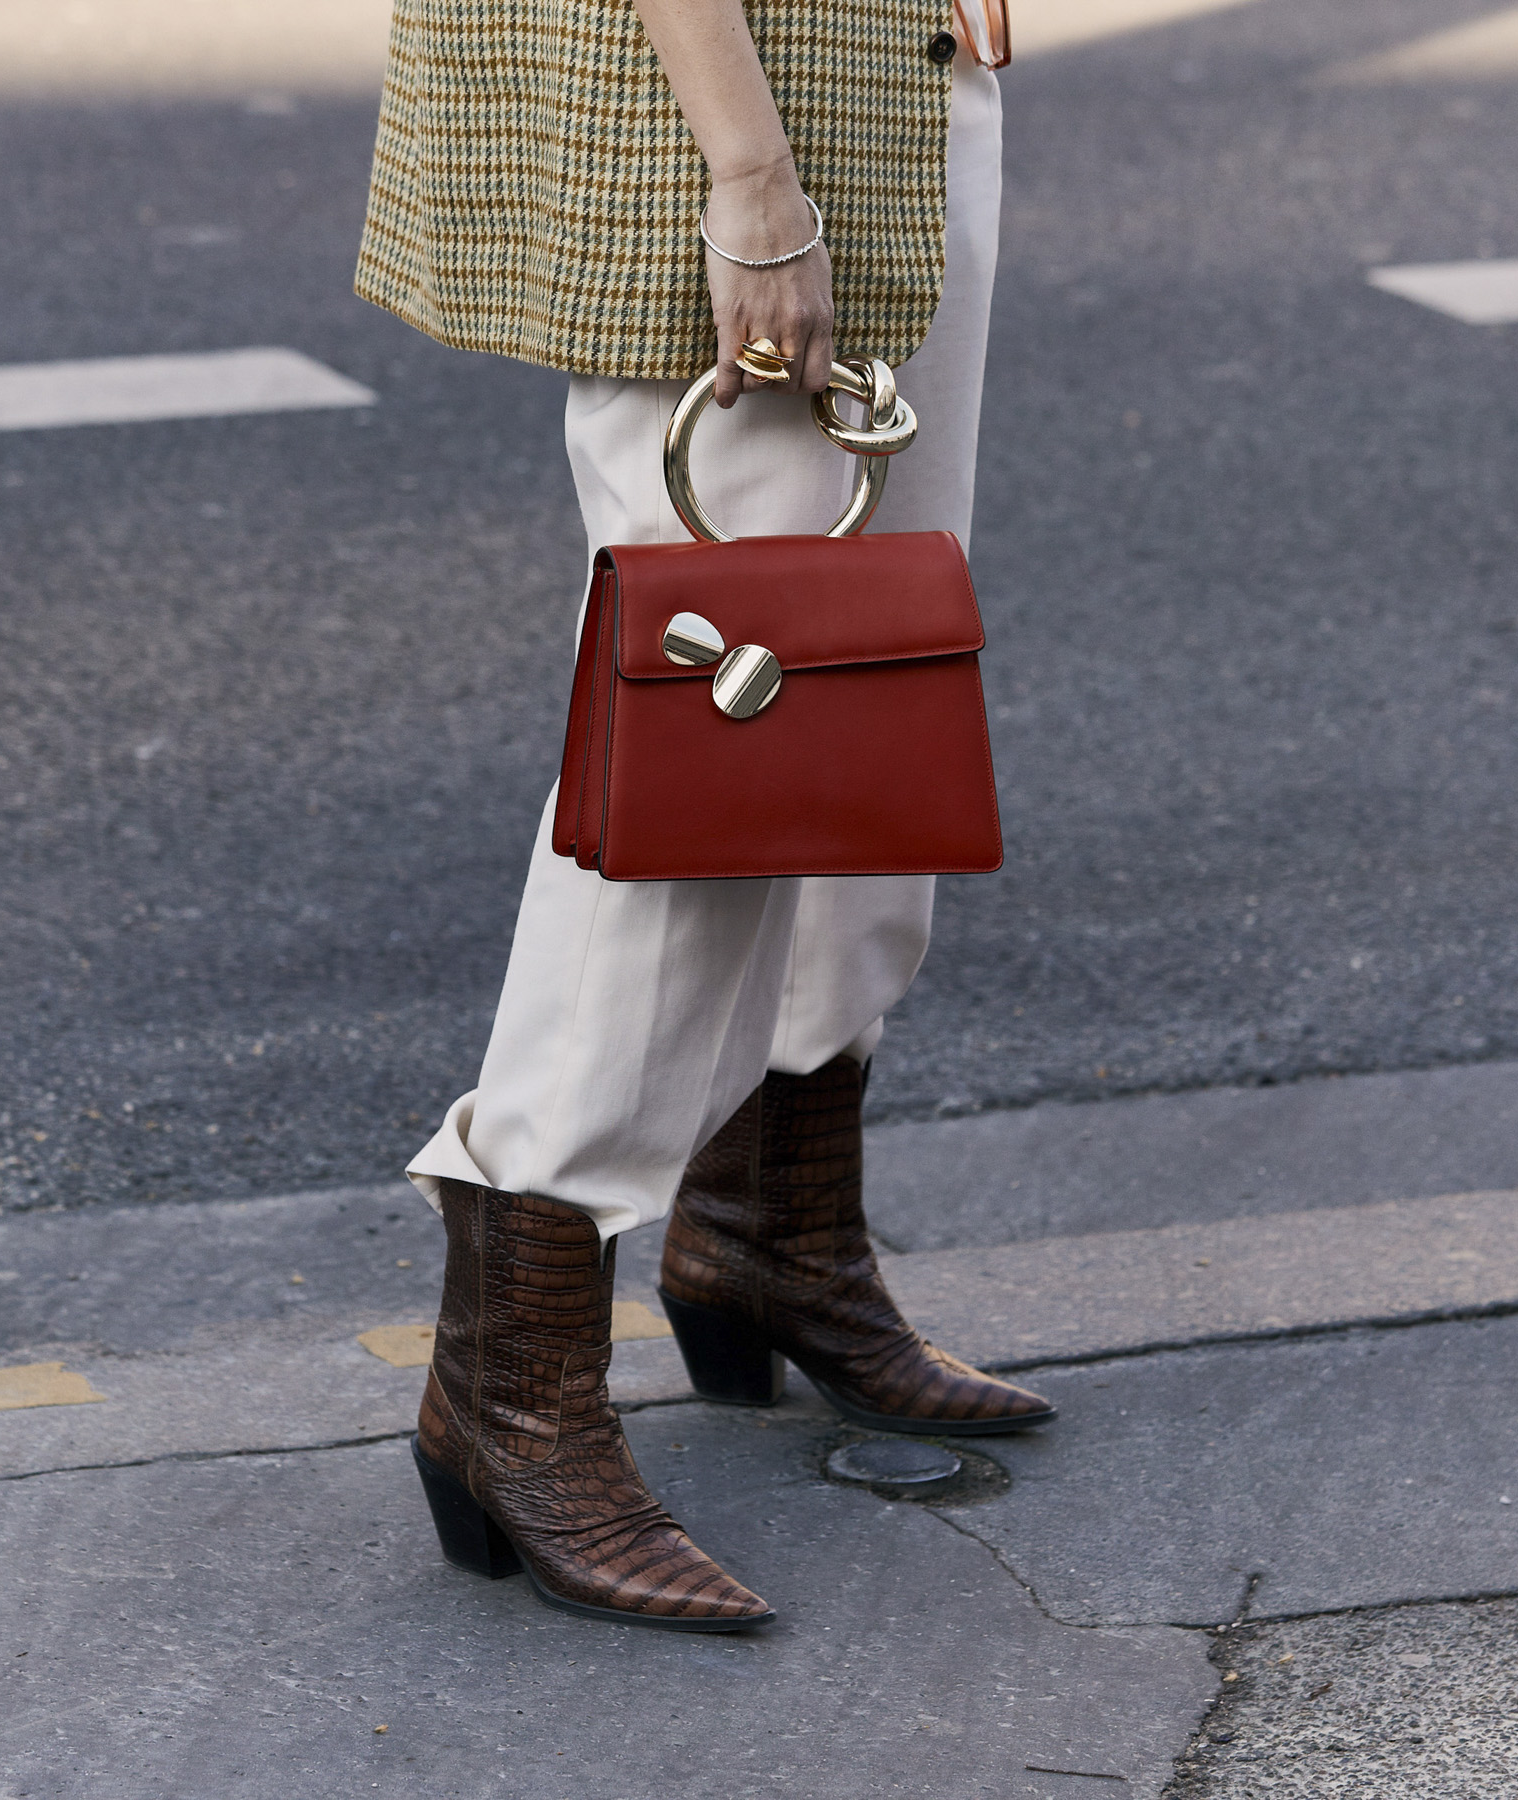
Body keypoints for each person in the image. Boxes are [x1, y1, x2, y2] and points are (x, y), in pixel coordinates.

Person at [353, 0, 1047, 1632]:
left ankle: (770, 1237)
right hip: (728, 108)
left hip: (895, 75)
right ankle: (510, 1391)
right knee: (701, 777)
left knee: (856, 697)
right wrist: (747, 172)